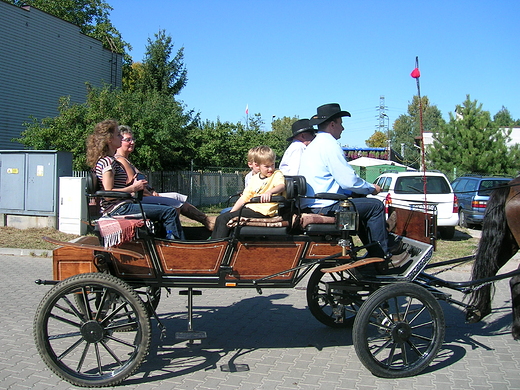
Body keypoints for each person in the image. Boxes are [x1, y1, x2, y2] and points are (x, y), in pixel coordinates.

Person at [299, 103, 389, 258]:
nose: (343, 128)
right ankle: (382, 255)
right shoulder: (329, 145)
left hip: (314, 203)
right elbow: (349, 181)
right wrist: (371, 188)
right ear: (332, 124)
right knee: (376, 206)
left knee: (361, 204)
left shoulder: (314, 145)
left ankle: (374, 250)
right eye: (341, 124)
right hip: (325, 206)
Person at [86, 120, 184, 240]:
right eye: (118, 135)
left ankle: (169, 241)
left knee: (167, 209)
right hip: (119, 209)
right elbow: (108, 194)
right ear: (109, 139)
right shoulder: (108, 162)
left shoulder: (111, 160)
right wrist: (133, 188)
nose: (121, 137)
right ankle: (176, 247)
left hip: (124, 205)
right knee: (169, 212)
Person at [115, 125, 215, 231]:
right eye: (128, 140)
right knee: (175, 204)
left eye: (133, 139)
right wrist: (152, 194)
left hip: (145, 196)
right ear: (119, 141)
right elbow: (135, 186)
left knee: (176, 197)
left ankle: (206, 221)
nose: (132, 142)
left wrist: (152, 191)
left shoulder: (127, 161)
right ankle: (173, 232)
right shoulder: (121, 161)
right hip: (136, 200)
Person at [212, 146, 285, 239]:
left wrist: (270, 192)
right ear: (258, 166)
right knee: (221, 217)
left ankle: (218, 248)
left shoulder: (277, 174)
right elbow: (244, 198)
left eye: (272, 165)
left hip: (264, 212)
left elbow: (281, 186)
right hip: (251, 208)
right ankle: (214, 245)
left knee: (224, 219)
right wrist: (232, 212)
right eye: (266, 166)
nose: (270, 169)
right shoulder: (254, 178)